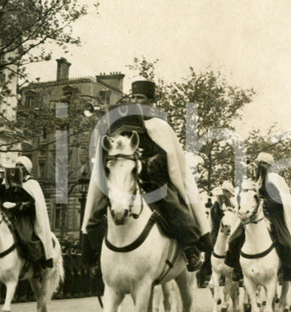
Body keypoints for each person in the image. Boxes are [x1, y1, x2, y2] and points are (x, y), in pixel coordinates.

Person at [80, 80, 209, 272]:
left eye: (140, 98)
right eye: (133, 97)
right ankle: (98, 257)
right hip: (124, 180)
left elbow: (168, 158)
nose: (135, 101)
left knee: (174, 206)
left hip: (153, 182)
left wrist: (149, 162)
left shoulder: (160, 126)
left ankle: (190, 248)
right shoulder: (120, 125)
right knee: (95, 211)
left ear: (151, 102)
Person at [226, 152, 291, 282]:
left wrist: (266, 202)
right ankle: (237, 268)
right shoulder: (250, 180)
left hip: (273, 215)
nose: (263, 166)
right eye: (261, 163)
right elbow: (241, 198)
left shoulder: (277, 181)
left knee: (286, 243)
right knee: (234, 239)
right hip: (251, 216)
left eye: (266, 164)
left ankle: (289, 270)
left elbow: (284, 202)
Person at [0, 156, 54, 272]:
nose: (18, 167)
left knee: (26, 238)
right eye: (17, 165)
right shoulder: (7, 183)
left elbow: (33, 204)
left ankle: (36, 264)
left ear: (27, 169)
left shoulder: (32, 184)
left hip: (22, 218)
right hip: (7, 216)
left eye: (21, 166)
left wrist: (17, 205)